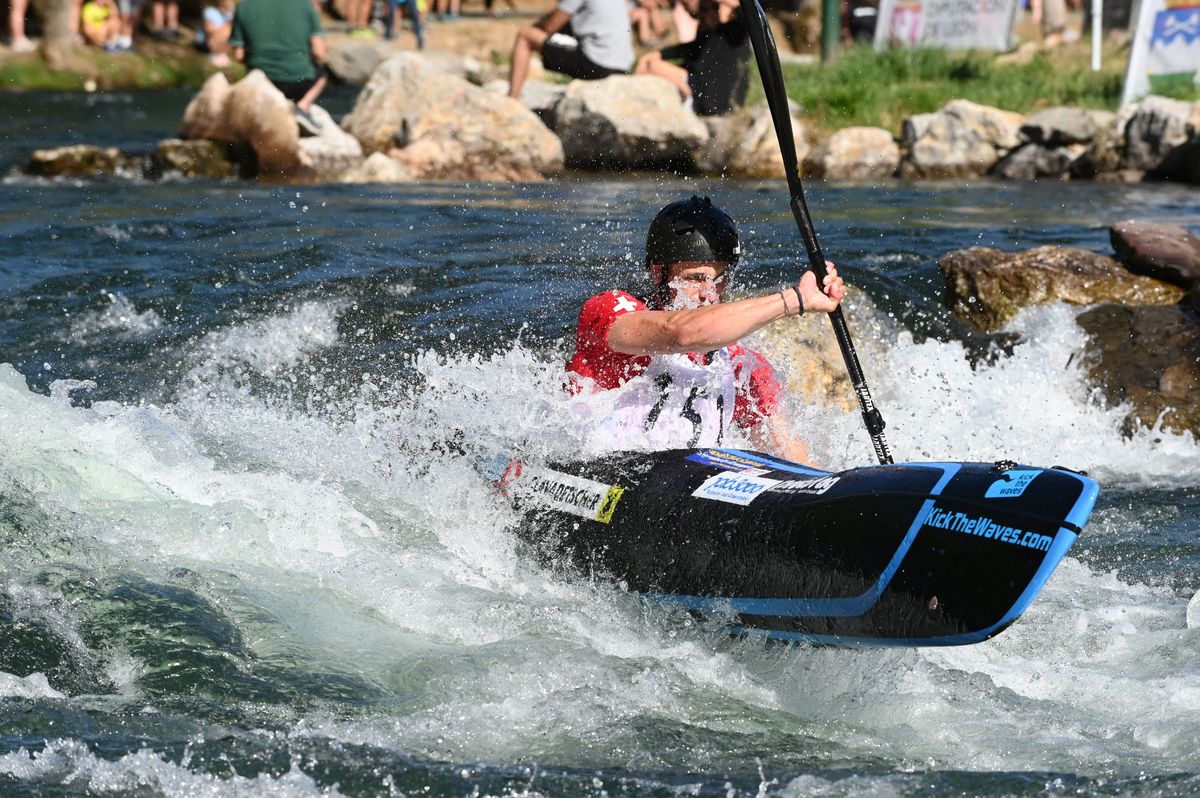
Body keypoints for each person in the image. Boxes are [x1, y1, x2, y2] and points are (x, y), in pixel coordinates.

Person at [566, 196, 845, 462]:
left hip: (678, 488)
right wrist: (796, 299)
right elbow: (681, 334)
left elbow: (789, 453)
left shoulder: (737, 363)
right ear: (657, 272)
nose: (710, 294)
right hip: (589, 474)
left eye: (720, 279)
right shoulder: (610, 311)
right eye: (696, 279)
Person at [635, 0, 749, 115]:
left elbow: (742, 8)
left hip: (713, 100)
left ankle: (687, 97)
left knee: (653, 66)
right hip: (699, 89)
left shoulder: (732, 32)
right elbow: (684, 50)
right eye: (705, 9)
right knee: (649, 64)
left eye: (715, 7)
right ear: (701, 13)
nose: (711, 13)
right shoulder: (706, 36)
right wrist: (656, 54)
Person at [507, 0, 634, 99]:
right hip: (622, 68)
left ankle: (513, 98)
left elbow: (550, 26)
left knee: (525, 35)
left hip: (596, 65)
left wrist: (538, 24)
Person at [230, 0, 328, 121]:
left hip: (261, 82)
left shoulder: (243, 6)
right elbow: (319, 53)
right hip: (298, 82)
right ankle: (302, 108)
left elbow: (239, 55)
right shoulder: (306, 5)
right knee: (323, 74)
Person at [195, 0, 235, 65]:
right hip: (204, 43)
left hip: (217, 43)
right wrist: (227, 25)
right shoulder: (209, 12)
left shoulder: (229, 15)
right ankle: (216, 54)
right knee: (228, 30)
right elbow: (209, 30)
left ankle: (221, 54)